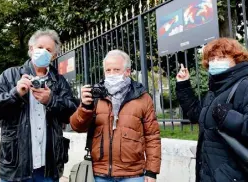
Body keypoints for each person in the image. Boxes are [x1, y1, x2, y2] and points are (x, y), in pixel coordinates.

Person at [0, 29, 77, 182]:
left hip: (48, 166)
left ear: (53, 56)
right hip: (16, 165)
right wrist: (15, 93)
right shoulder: (10, 75)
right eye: (40, 47)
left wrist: (51, 100)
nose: (43, 52)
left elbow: (73, 113)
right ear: (31, 49)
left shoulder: (59, 81)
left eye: (48, 50)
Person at [70, 50, 161, 182]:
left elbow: (152, 136)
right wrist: (85, 107)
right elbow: (77, 126)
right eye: (108, 70)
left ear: (127, 72)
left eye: (116, 70)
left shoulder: (142, 97)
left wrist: (152, 172)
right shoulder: (96, 95)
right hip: (100, 173)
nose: (111, 74)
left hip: (133, 174)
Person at [176, 38, 248, 182]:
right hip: (209, 173)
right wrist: (183, 85)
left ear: (236, 59)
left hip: (233, 175)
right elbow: (195, 114)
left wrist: (229, 118)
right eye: (212, 58)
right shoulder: (215, 90)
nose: (215, 62)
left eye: (221, 57)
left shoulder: (244, 85)